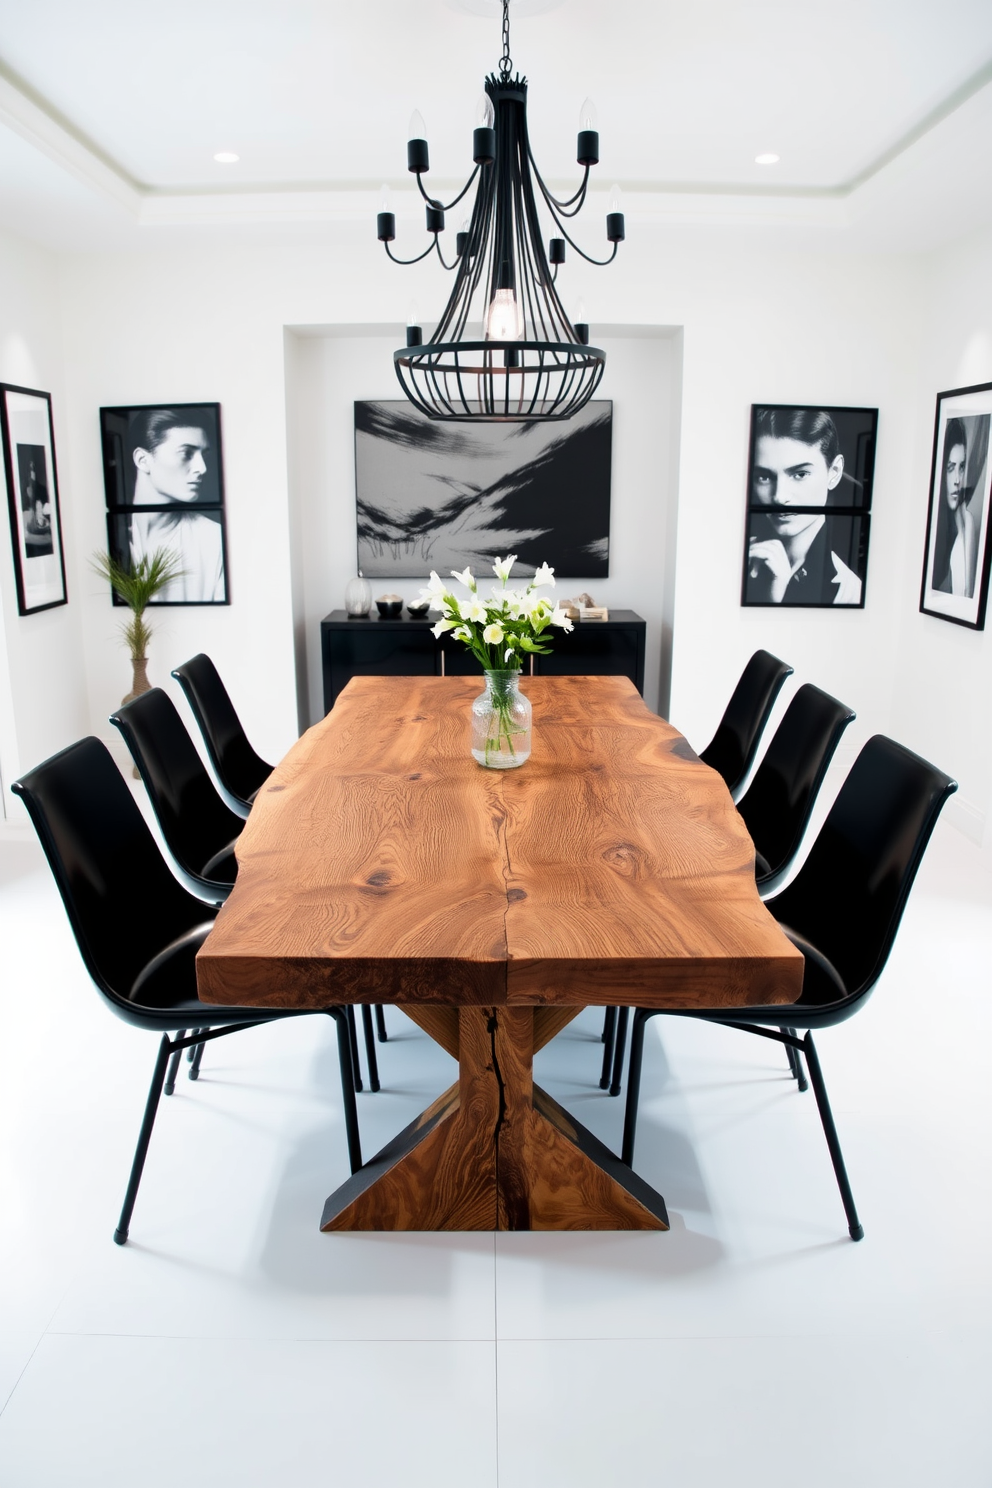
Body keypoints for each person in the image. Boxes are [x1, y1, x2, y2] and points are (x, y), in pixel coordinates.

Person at [745, 407, 862, 605]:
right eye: (764, 477)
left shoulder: (848, 594)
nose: (779, 497)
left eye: (800, 474)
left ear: (834, 472)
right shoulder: (740, 557)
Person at [128, 409, 226, 603]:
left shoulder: (213, 539)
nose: (202, 468)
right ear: (143, 460)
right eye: (186, 453)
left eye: (202, 455)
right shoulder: (110, 537)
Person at [933, 417, 977, 598]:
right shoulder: (933, 522)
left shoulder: (966, 523)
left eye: (961, 467)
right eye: (950, 468)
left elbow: (967, 596)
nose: (957, 479)